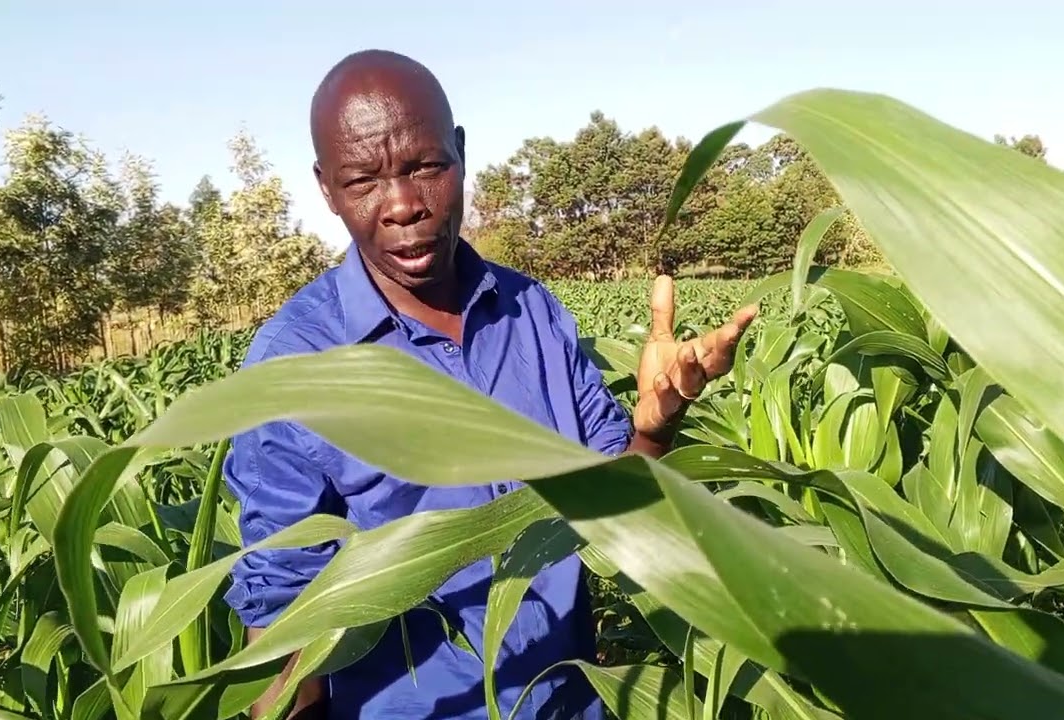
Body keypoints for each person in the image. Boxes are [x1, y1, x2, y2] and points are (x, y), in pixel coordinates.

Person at [223, 49, 759, 720]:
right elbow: (285, 622)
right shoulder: (295, 366)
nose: (403, 206)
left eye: (425, 166)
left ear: (462, 153)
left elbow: (615, 509)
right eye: (363, 180)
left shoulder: (532, 312)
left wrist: (654, 427)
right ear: (327, 188)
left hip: (572, 701)